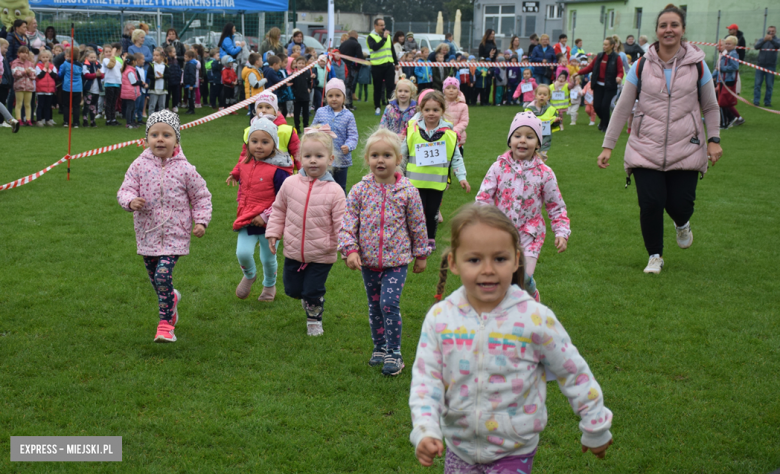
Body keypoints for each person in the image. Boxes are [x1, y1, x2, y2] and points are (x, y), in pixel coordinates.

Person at [410, 202, 612, 470]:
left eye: (500, 258)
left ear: (517, 260)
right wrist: (425, 430)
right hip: (459, 448)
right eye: (474, 259)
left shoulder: (534, 318)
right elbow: (427, 380)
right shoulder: (441, 318)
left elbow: (573, 371)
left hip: (514, 449)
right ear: (453, 262)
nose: (488, 269)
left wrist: (595, 425)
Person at [597, 3, 722, 275]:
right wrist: (609, 146)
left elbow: (711, 106)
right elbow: (622, 107)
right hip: (645, 146)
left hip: (686, 147)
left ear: (683, 30)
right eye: (663, 25)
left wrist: (714, 139)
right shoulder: (641, 65)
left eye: (674, 25)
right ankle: (655, 255)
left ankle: (682, 223)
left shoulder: (698, 65)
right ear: (656, 31)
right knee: (651, 203)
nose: (669, 30)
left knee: (680, 204)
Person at [339, 128, 430, 375]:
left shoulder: (408, 190)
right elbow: (348, 223)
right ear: (367, 159)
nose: (381, 160)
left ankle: (395, 352)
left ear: (398, 159)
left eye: (387, 155)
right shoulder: (359, 190)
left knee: (389, 304)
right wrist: (350, 250)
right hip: (368, 261)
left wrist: (421, 254)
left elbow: (418, 224)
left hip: (397, 261)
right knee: (375, 304)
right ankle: (379, 346)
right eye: (375, 155)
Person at [117, 110, 213, 343]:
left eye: (166, 135)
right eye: (154, 134)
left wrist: (200, 221)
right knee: (157, 281)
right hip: (147, 232)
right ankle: (172, 299)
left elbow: (201, 196)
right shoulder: (139, 165)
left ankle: (165, 326)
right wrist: (130, 201)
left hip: (175, 234)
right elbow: (125, 189)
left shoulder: (186, 169)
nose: (160, 139)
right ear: (146, 139)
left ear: (176, 140)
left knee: (162, 276)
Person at [476, 111, 570, 301]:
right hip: (500, 234)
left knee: (522, 278)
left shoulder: (545, 173)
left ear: (538, 143)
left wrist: (561, 232)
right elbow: (484, 197)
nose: (522, 141)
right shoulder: (498, 167)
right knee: (503, 279)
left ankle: (531, 292)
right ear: (510, 140)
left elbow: (555, 206)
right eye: (517, 136)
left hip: (530, 235)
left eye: (530, 136)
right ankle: (505, 315)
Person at [265, 127, 347, 337]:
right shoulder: (290, 183)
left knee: (313, 290)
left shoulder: (335, 191)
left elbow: (341, 223)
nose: (312, 161)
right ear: (300, 157)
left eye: (319, 156)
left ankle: (314, 319)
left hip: (322, 253)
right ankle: (308, 301)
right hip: (293, 250)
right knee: (292, 290)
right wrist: (274, 233)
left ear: (330, 159)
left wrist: (347, 249)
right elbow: (279, 209)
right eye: (308, 156)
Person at [227, 117, 294, 303]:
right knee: (242, 253)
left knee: (268, 258)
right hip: (247, 219)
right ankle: (249, 275)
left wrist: (265, 216)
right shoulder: (245, 165)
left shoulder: (279, 170)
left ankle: (269, 285)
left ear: (274, 144)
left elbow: (284, 198)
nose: (258, 146)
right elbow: (244, 189)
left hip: (270, 223)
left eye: (265, 142)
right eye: (254, 141)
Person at [401, 90, 469, 249]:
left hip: (437, 182)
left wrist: (462, 177)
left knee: (432, 213)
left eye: (436, 110)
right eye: (427, 110)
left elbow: (456, 157)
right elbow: (402, 152)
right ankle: (414, 238)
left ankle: (430, 239)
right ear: (421, 111)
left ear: (442, 111)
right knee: (416, 212)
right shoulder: (413, 130)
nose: (431, 113)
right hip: (415, 181)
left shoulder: (450, 134)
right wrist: (395, 170)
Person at [311, 78, 358, 192]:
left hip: (341, 159)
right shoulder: (320, 112)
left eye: (338, 95)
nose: (334, 99)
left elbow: (353, 135)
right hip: (323, 157)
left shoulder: (348, 116)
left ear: (344, 98)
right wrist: (316, 131)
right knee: (323, 185)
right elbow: (312, 130)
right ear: (326, 97)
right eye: (330, 95)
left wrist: (349, 146)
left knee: (340, 187)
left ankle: (341, 208)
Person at [576, 37, 623, 132]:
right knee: (597, 106)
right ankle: (603, 121)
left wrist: (619, 77)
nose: (604, 46)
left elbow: (620, 71)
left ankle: (606, 126)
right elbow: (590, 67)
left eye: (606, 45)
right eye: (603, 44)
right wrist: (579, 72)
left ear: (612, 46)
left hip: (610, 86)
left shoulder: (616, 58)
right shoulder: (599, 56)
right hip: (598, 85)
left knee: (605, 106)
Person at [242, 92, 301, 168]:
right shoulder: (250, 130)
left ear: (275, 111)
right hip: (256, 172)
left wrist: (304, 172)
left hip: (280, 172)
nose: (263, 110)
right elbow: (245, 155)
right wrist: (237, 172)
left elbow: (298, 152)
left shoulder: (286, 131)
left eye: (268, 107)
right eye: (260, 107)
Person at [368, 18, 398, 115]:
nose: (383, 27)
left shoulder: (387, 36)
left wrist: (396, 63)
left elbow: (391, 49)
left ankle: (391, 107)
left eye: (383, 25)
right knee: (378, 88)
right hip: (377, 66)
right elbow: (375, 47)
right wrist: (384, 39)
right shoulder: (371, 37)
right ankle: (377, 106)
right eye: (381, 25)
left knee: (390, 87)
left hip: (389, 65)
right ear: (375, 26)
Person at [524, 85, 560, 160]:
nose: (542, 96)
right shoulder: (529, 109)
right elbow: (525, 121)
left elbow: (555, 123)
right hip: (532, 136)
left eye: (545, 94)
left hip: (545, 137)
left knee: (541, 156)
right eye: (540, 94)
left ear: (548, 97)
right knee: (530, 155)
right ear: (535, 96)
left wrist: (556, 121)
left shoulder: (552, 109)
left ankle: (540, 168)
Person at [718, 36, 744, 129]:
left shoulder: (733, 54)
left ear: (734, 45)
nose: (727, 45)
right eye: (726, 44)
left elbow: (735, 67)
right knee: (724, 102)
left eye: (729, 44)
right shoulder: (725, 53)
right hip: (723, 80)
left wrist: (722, 69)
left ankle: (726, 122)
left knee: (722, 103)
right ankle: (732, 118)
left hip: (729, 81)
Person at [753, 26, 778, 107]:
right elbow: (756, 47)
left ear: (775, 32)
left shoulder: (777, 40)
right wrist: (764, 40)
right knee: (757, 84)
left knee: (769, 85)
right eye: (769, 31)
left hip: (771, 66)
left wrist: (772, 40)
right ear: (767, 31)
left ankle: (767, 102)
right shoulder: (762, 39)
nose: (771, 32)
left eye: (773, 31)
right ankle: (756, 101)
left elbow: (778, 46)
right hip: (760, 65)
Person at [59, 47, 83, 128]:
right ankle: (76, 123)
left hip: (67, 87)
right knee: (76, 106)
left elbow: (61, 74)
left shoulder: (65, 64)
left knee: (66, 105)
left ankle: (66, 122)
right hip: (78, 88)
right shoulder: (80, 65)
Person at [339, 30, 364, 110]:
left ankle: (344, 103)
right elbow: (360, 58)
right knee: (349, 86)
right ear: (356, 36)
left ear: (349, 36)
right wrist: (357, 68)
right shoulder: (356, 44)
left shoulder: (343, 44)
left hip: (342, 67)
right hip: (350, 67)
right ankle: (348, 104)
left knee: (344, 85)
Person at [443, 77, 469, 152]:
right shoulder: (439, 104)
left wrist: (454, 131)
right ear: (444, 90)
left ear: (458, 91)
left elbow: (464, 122)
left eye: (454, 88)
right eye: (448, 88)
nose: (451, 90)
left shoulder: (463, 106)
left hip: (457, 140)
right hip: (442, 139)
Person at [11, 46, 35, 126]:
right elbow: (15, 74)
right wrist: (25, 72)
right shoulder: (15, 63)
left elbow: (34, 75)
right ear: (18, 53)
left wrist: (29, 73)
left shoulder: (30, 64)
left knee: (28, 104)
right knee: (19, 104)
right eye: (23, 52)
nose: (25, 54)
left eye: (26, 53)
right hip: (19, 86)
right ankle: (19, 119)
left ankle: (28, 120)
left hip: (29, 87)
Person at [35, 49, 57, 126]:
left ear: (49, 58)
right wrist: (45, 68)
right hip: (41, 89)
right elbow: (39, 76)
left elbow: (54, 76)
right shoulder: (38, 66)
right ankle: (39, 119)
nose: (45, 59)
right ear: (40, 58)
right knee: (40, 105)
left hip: (49, 90)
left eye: (47, 57)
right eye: (43, 57)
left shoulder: (52, 66)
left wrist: (49, 69)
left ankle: (47, 119)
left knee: (48, 106)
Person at [102, 43, 123, 125]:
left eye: (110, 51)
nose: (108, 53)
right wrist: (113, 55)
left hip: (117, 83)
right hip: (109, 83)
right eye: (106, 52)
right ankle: (108, 119)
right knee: (109, 102)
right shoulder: (106, 60)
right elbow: (110, 65)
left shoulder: (116, 60)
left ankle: (113, 118)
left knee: (114, 102)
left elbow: (120, 69)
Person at [290, 56, 312, 134]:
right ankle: (297, 128)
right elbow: (290, 83)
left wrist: (309, 88)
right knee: (296, 114)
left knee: (305, 114)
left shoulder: (307, 73)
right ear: (296, 64)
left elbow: (309, 82)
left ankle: (306, 127)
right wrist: (294, 92)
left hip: (305, 97)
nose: (301, 65)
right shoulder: (294, 74)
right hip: (297, 97)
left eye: (303, 63)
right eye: (299, 63)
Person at [81, 49, 102, 127]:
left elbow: (102, 75)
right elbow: (86, 75)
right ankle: (85, 120)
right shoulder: (85, 65)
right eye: (91, 57)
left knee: (93, 106)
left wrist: (99, 74)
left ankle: (93, 121)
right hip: (88, 88)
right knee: (87, 105)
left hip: (96, 89)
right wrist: (95, 74)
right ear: (86, 57)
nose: (93, 59)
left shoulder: (98, 65)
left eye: (94, 57)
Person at [120, 53, 141, 128]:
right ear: (133, 62)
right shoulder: (130, 71)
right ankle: (129, 123)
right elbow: (134, 82)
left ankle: (131, 122)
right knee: (130, 108)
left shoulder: (127, 70)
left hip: (128, 92)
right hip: (130, 93)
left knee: (132, 107)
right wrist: (141, 83)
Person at [147, 48, 168, 115]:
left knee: (162, 106)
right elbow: (148, 75)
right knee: (152, 105)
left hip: (162, 89)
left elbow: (169, 75)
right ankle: (151, 119)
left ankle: (162, 119)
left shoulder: (165, 66)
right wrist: (155, 77)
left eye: (157, 55)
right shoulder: (152, 65)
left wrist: (162, 76)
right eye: (154, 55)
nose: (155, 57)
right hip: (154, 89)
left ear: (161, 57)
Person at [165, 45, 182, 112]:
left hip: (176, 80)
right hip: (169, 81)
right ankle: (166, 106)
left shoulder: (175, 61)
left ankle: (175, 106)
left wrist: (179, 77)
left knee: (176, 94)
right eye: (174, 52)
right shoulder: (166, 61)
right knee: (167, 94)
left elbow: (178, 69)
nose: (175, 53)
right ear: (169, 53)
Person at [133, 53, 148, 122]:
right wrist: (143, 85)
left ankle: (140, 119)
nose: (144, 61)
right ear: (137, 60)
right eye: (142, 59)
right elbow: (137, 80)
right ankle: (133, 119)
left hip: (143, 90)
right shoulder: (135, 69)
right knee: (136, 106)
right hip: (138, 90)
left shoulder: (143, 69)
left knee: (141, 106)